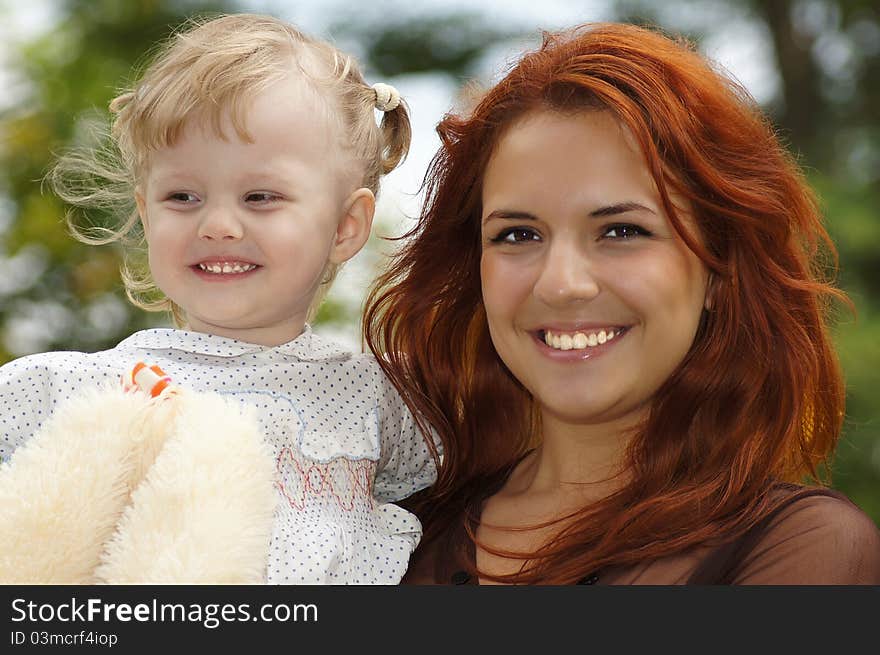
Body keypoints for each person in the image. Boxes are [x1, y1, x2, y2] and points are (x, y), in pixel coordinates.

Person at [363, 22, 880, 584]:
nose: (561, 285)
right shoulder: (386, 539)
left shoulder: (805, 548)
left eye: (621, 231)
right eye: (518, 235)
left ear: (719, 270)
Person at [0, 13, 436, 584]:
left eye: (260, 196)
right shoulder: (75, 388)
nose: (219, 224)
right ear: (146, 211)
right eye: (182, 196)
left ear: (345, 227)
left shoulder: (382, 400)